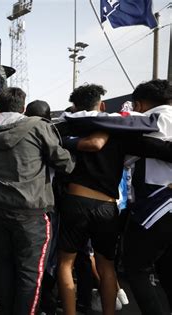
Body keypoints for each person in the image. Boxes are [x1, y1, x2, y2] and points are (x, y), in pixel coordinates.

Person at [56, 84, 172, 315]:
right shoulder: (120, 130)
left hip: (78, 201)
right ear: (102, 105)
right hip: (108, 207)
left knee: (66, 264)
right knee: (107, 265)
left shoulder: (66, 127)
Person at [0, 87, 75, 315]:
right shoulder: (38, 126)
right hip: (30, 213)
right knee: (30, 273)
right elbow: (64, 163)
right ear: (23, 107)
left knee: (3, 264)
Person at [123, 79, 172, 315]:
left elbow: (126, 158)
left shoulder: (149, 120)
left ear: (139, 104)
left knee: (136, 267)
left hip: (158, 203)